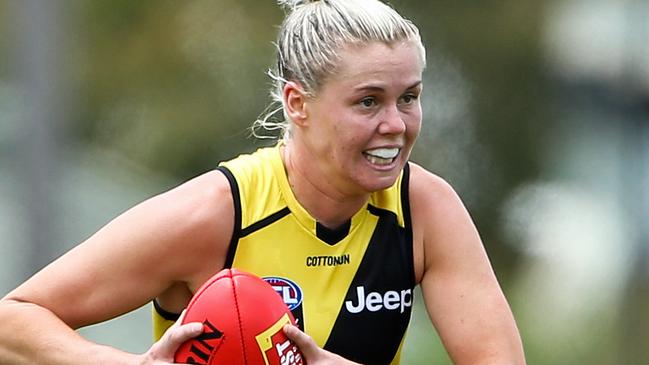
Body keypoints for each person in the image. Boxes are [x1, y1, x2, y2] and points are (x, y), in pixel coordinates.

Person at [0, 0, 526, 364]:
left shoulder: (425, 209)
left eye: (408, 97)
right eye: (369, 101)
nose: (396, 124)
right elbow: (13, 321)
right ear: (298, 104)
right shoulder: (215, 213)